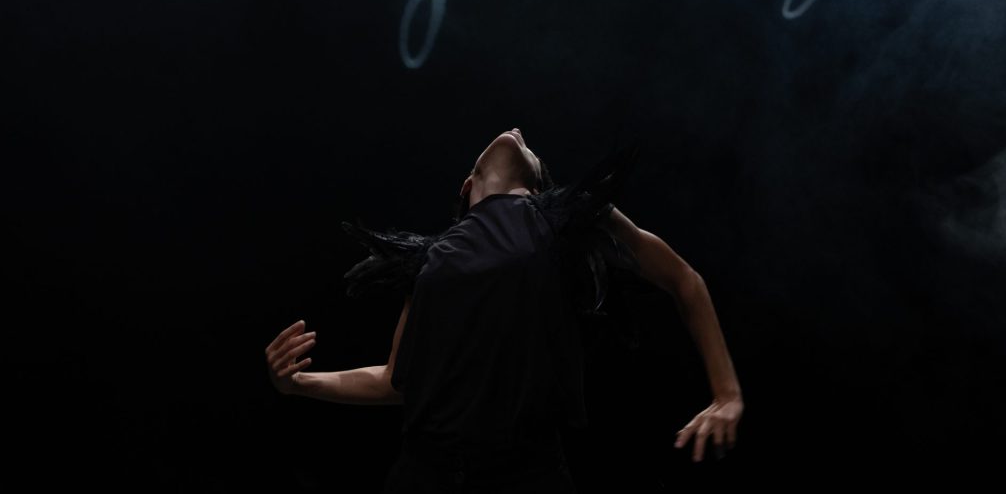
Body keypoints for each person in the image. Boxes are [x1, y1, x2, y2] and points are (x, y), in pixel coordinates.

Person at [265, 128, 744, 492]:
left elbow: (684, 280)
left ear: (536, 186)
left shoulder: (562, 216)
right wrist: (301, 384)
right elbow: (396, 381)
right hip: (425, 472)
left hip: (522, 474)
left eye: (530, 147)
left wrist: (727, 393)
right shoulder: (428, 262)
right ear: (466, 184)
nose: (517, 131)